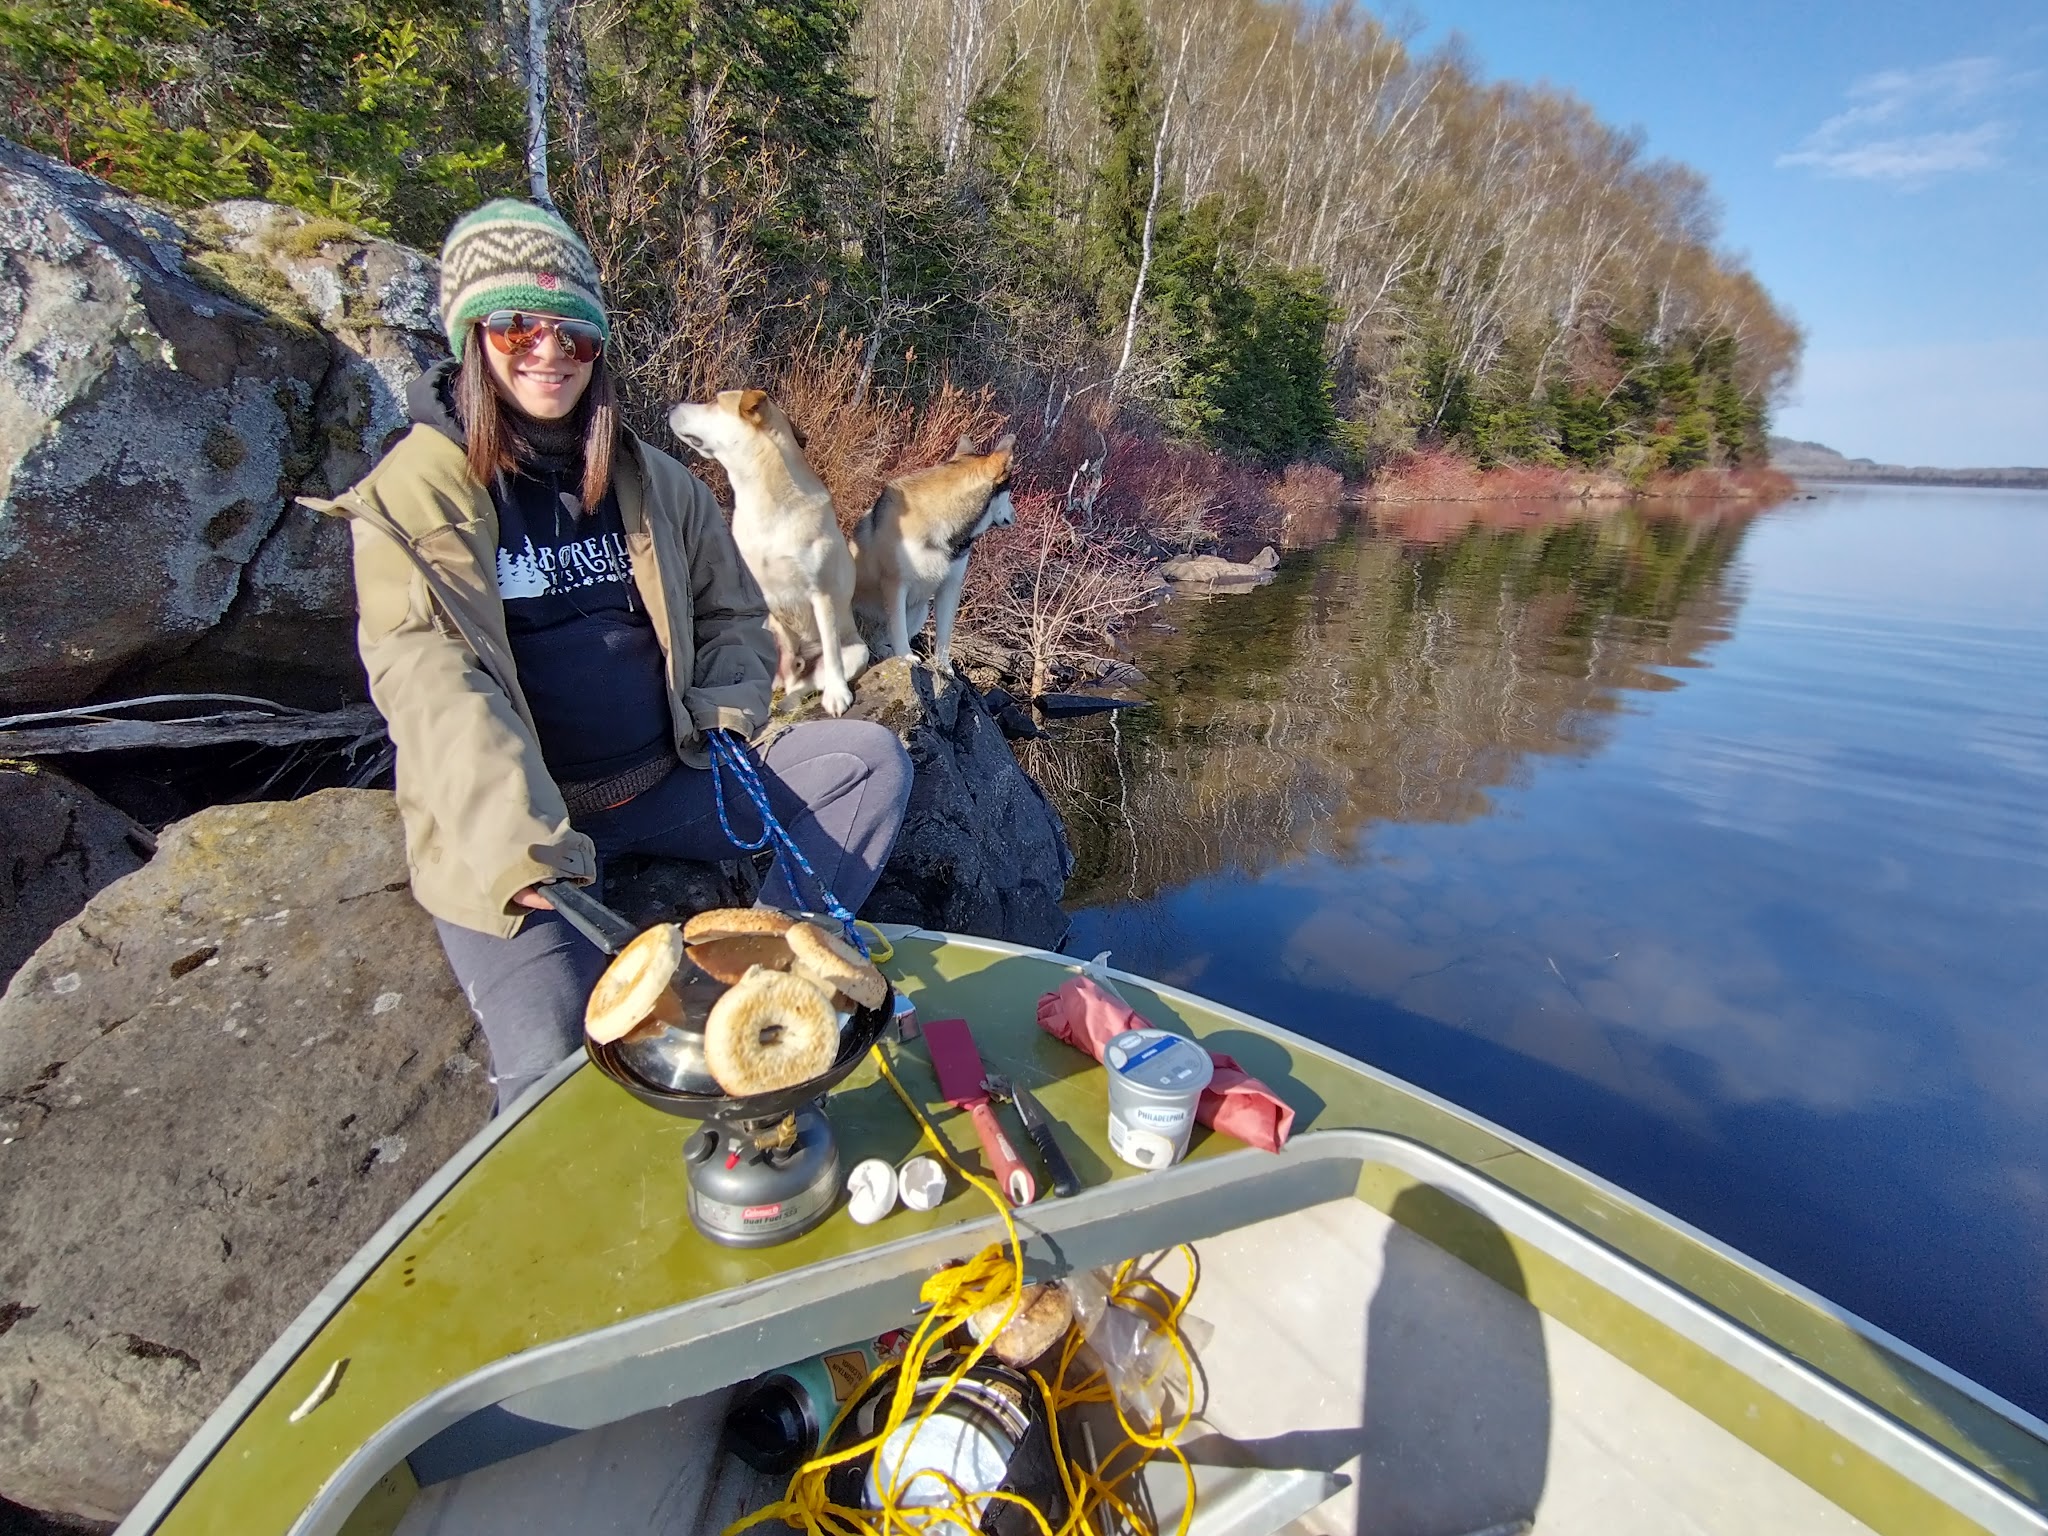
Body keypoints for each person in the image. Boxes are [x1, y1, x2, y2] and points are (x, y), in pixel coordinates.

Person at [332, 199, 913, 1109]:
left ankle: (769, 970)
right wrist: (518, 848)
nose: (547, 349)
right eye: (517, 324)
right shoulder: (413, 494)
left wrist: (723, 721)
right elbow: (429, 684)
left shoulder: (655, 480)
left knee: (867, 763)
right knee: (553, 1072)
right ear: (470, 336)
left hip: (670, 781)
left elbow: (732, 615)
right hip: (532, 836)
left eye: (574, 332)